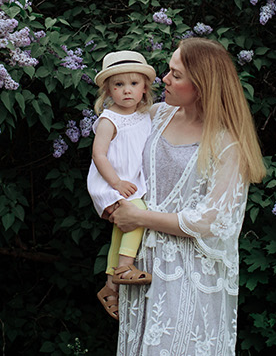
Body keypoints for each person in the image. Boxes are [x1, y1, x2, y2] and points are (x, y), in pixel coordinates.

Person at [107, 38, 265, 354]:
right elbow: (117, 153)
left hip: (190, 272)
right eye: (169, 70)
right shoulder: (156, 116)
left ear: (203, 86)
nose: (164, 79)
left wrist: (140, 216)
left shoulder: (227, 142)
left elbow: (213, 219)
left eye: (176, 75)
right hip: (142, 266)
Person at [86, 51, 157, 320]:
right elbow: (99, 155)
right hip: (111, 183)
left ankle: (110, 286)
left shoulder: (146, 115)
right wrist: (115, 183)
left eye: (134, 84)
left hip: (132, 183)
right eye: (119, 85)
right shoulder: (109, 120)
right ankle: (125, 267)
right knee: (136, 215)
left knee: (123, 226)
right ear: (107, 90)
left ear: (145, 88)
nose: (127, 91)